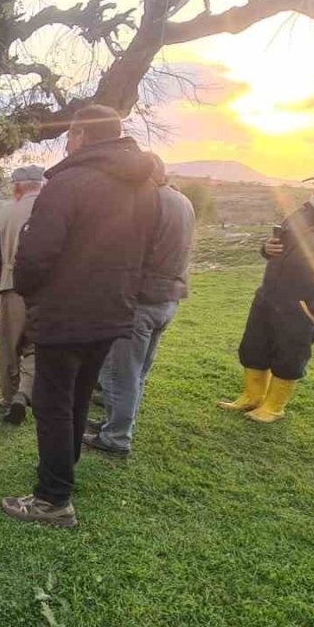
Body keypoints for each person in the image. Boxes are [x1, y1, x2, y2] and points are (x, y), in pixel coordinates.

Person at [1, 105, 158, 528]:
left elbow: (36, 256)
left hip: (65, 313)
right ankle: (62, 473)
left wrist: (32, 295)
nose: (67, 143)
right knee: (79, 395)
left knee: (53, 405)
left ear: (81, 136)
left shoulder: (68, 183)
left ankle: (52, 499)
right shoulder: (144, 186)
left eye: (70, 135)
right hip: (113, 311)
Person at [217, 161, 314, 423]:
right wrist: (266, 249)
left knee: (290, 354)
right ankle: (252, 396)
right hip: (269, 295)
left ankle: (274, 407)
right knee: (253, 347)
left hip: (304, 304)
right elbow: (277, 246)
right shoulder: (302, 212)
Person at [84, 153, 195, 457]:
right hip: (168, 299)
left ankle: (116, 437)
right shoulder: (182, 201)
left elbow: (126, 255)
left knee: (120, 373)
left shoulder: (149, 203)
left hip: (139, 303)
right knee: (137, 372)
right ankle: (115, 423)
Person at [0, 165, 44, 425]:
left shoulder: (3, 212)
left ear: (18, 187)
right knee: (35, 346)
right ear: (40, 185)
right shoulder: (52, 209)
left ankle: (9, 399)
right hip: (45, 290)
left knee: (10, 347)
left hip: (10, 287)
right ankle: (25, 393)